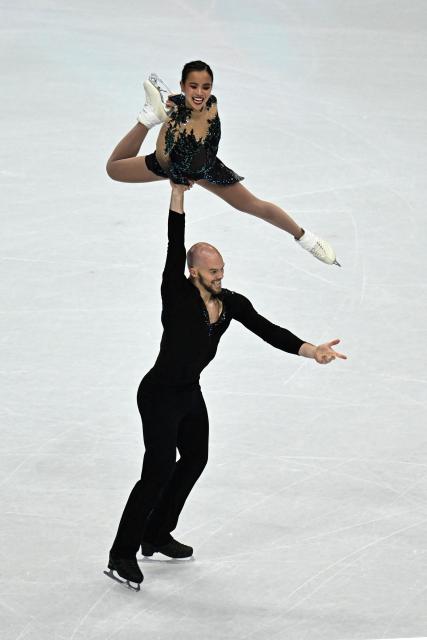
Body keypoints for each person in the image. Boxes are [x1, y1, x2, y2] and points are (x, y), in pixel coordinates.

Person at [105, 181, 347, 591]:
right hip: (159, 394)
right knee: (158, 470)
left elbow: (270, 330)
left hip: (189, 393)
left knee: (196, 457)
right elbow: (173, 241)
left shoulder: (231, 303)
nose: (220, 276)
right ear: (193, 271)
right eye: (213, 271)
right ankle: (121, 554)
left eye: (222, 271)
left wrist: (311, 350)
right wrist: (177, 195)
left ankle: (157, 532)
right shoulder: (176, 293)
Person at [106, 60, 340, 267]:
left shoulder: (210, 108)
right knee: (114, 168)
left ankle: (307, 239)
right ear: (182, 85)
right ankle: (150, 117)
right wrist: (177, 174)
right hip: (172, 163)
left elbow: (210, 143)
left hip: (204, 165)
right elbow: (163, 153)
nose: (200, 93)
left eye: (206, 87)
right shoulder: (178, 114)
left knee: (252, 205)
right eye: (193, 86)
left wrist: (186, 174)